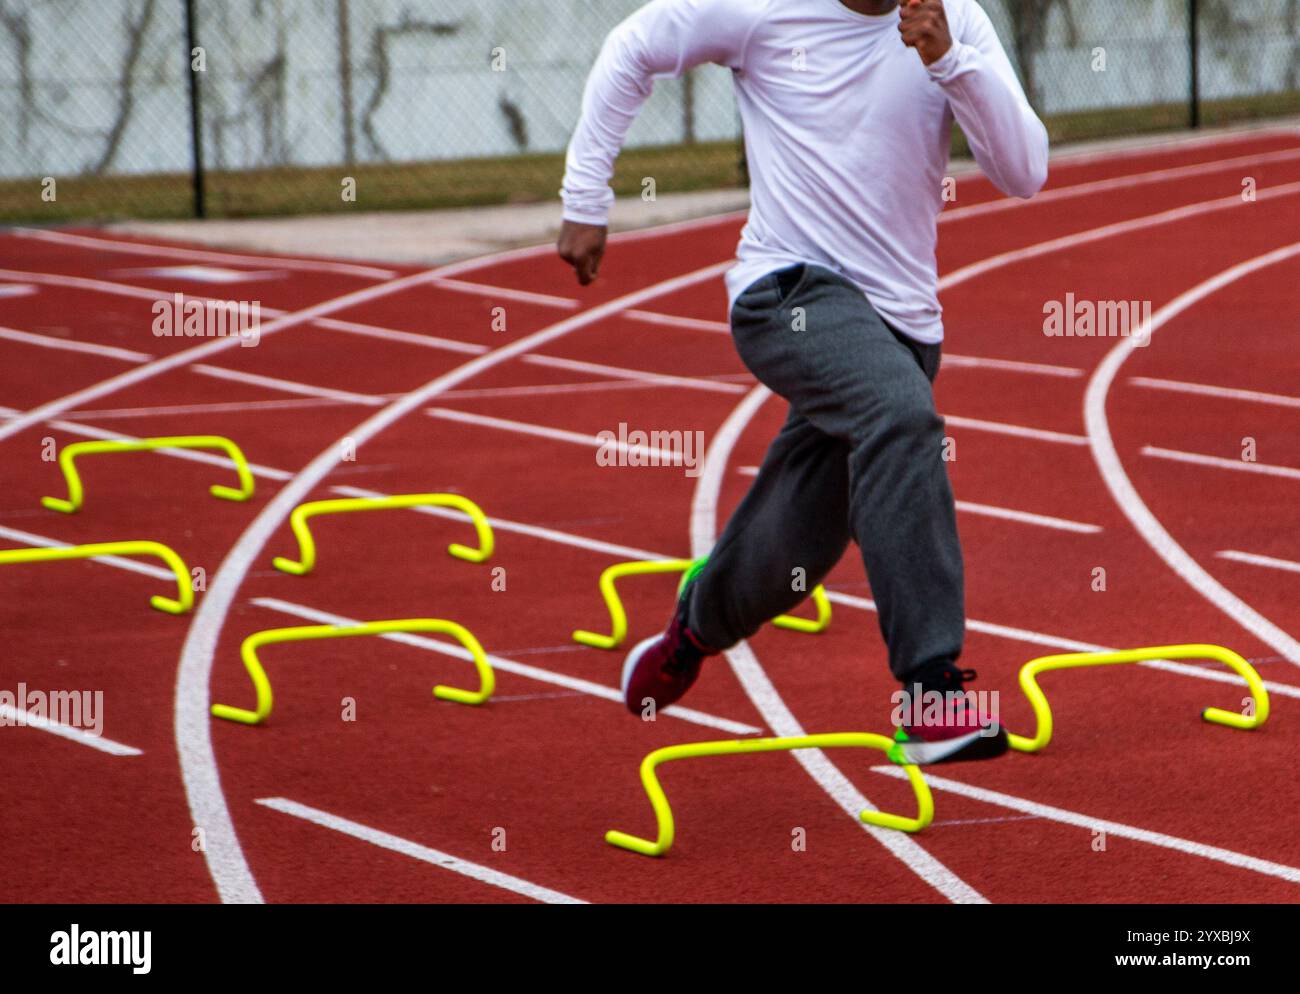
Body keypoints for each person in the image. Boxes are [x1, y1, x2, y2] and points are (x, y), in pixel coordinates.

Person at [556, 0, 1048, 763]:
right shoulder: (760, 9)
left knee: (797, 549)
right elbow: (632, 47)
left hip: (902, 326)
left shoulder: (953, 21)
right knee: (902, 417)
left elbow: (1025, 174)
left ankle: (693, 629)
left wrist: (952, 64)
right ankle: (929, 693)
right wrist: (587, 199)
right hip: (787, 292)